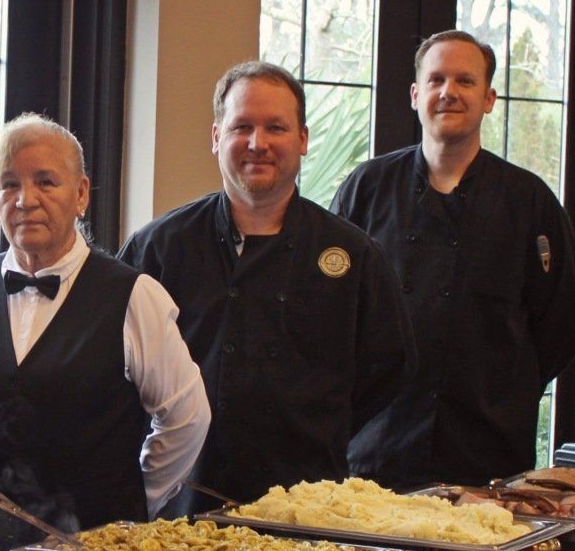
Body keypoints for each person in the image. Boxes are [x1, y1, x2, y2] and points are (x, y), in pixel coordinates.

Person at [120, 61, 412, 507]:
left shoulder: (353, 255)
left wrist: (322, 427)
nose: (258, 143)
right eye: (242, 127)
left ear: (303, 139)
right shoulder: (159, 247)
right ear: (216, 137)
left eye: (276, 127)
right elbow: (120, 368)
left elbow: (388, 368)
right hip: (184, 503)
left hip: (308, 504)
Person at [0, 114, 211, 551]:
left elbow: (187, 417)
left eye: (46, 182)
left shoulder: (134, 296)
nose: (26, 200)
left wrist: (131, 501)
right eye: (9, 184)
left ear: (81, 194)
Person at [333, 30, 575, 488]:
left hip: (488, 454)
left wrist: (506, 389)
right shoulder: (367, 188)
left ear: (489, 99)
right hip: (377, 450)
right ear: (416, 95)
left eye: (465, 81)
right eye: (436, 80)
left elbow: (563, 323)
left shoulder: (529, 201)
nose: (448, 92)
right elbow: (331, 308)